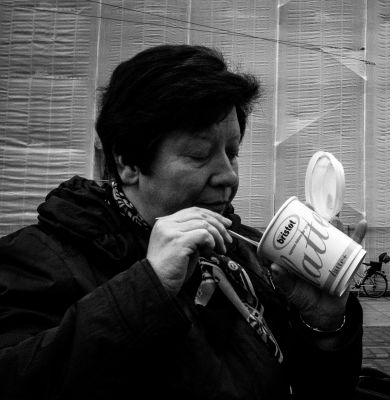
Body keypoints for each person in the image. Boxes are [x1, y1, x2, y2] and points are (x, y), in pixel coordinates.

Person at [0, 44, 368, 399]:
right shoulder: (39, 261)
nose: (228, 176)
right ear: (128, 162)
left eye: (232, 152)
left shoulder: (244, 251)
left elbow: (320, 389)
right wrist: (148, 286)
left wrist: (324, 326)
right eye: (199, 154)